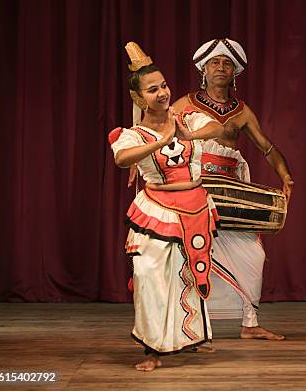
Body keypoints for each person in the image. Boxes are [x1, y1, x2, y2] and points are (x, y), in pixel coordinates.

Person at [109, 42, 224, 371]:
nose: (161, 93)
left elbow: (220, 127)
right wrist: (161, 141)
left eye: (163, 86)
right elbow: (121, 159)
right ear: (137, 98)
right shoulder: (133, 134)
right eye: (152, 89)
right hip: (158, 209)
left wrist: (189, 132)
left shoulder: (185, 117)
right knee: (149, 276)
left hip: (195, 204)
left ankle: (189, 337)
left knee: (186, 274)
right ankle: (152, 347)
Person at [172, 38, 293, 340]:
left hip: (231, 191)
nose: (221, 67)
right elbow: (160, 134)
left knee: (253, 256)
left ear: (235, 71)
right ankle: (187, 325)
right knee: (190, 254)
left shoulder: (241, 111)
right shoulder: (184, 104)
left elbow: (266, 147)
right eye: (215, 62)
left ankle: (249, 324)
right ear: (204, 69)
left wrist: (285, 174)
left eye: (227, 63)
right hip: (195, 188)